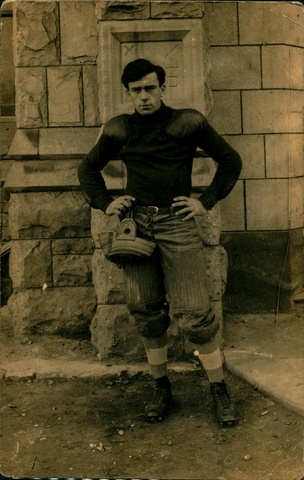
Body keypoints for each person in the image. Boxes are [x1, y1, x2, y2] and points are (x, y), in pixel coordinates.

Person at [78, 58, 242, 426]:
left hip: (177, 224)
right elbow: (87, 168)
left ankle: (219, 389)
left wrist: (204, 201)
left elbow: (230, 160)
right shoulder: (120, 129)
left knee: (196, 314)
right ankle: (161, 386)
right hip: (136, 227)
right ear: (128, 93)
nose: (144, 96)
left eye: (150, 88)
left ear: (162, 88)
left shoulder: (187, 122)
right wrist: (107, 203)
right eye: (136, 90)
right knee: (147, 311)